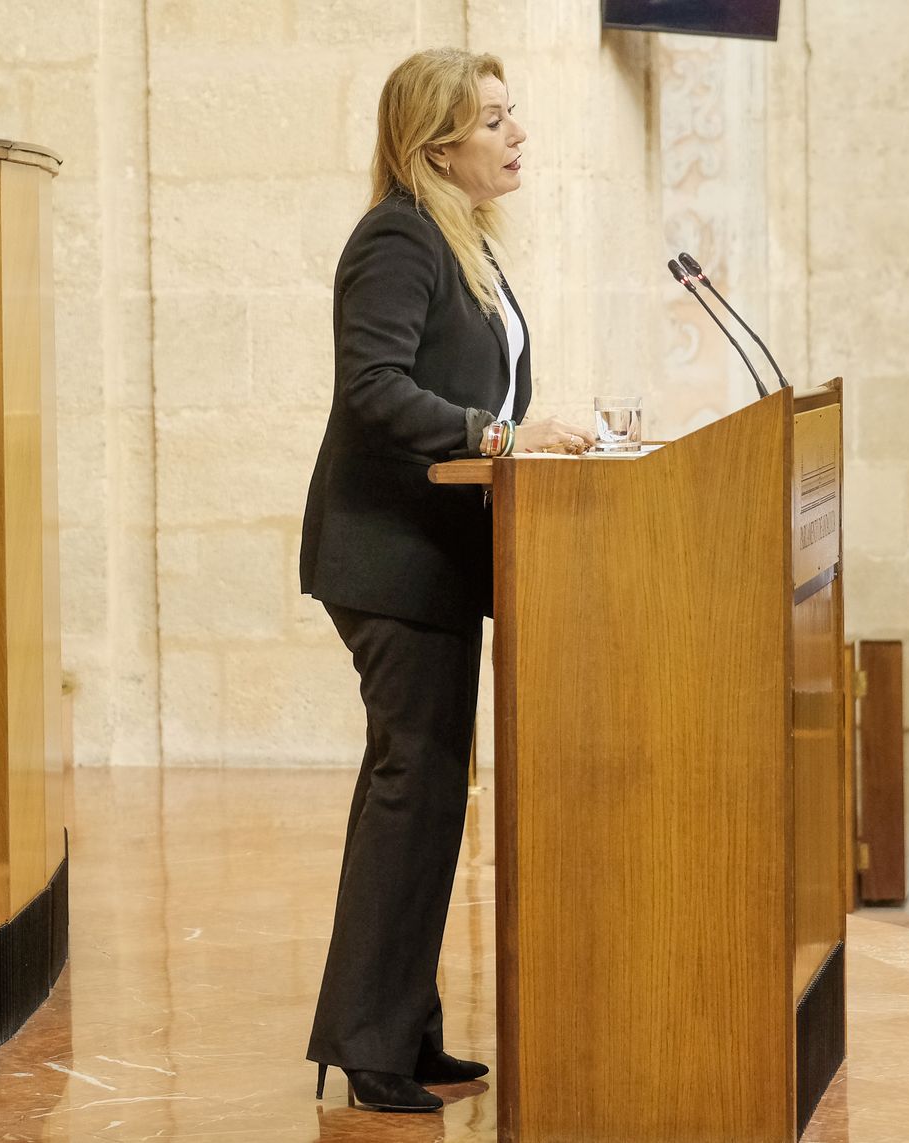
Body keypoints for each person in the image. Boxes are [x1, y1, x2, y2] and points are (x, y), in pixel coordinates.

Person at [298, 48, 596, 1114]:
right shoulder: (397, 237)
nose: (518, 136)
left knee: (424, 791)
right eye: (496, 122)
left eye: (516, 116)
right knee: (409, 786)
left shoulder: (461, 243)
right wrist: (502, 437)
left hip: (435, 558)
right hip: (386, 558)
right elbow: (375, 389)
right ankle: (368, 1045)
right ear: (436, 145)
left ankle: (400, 1031)